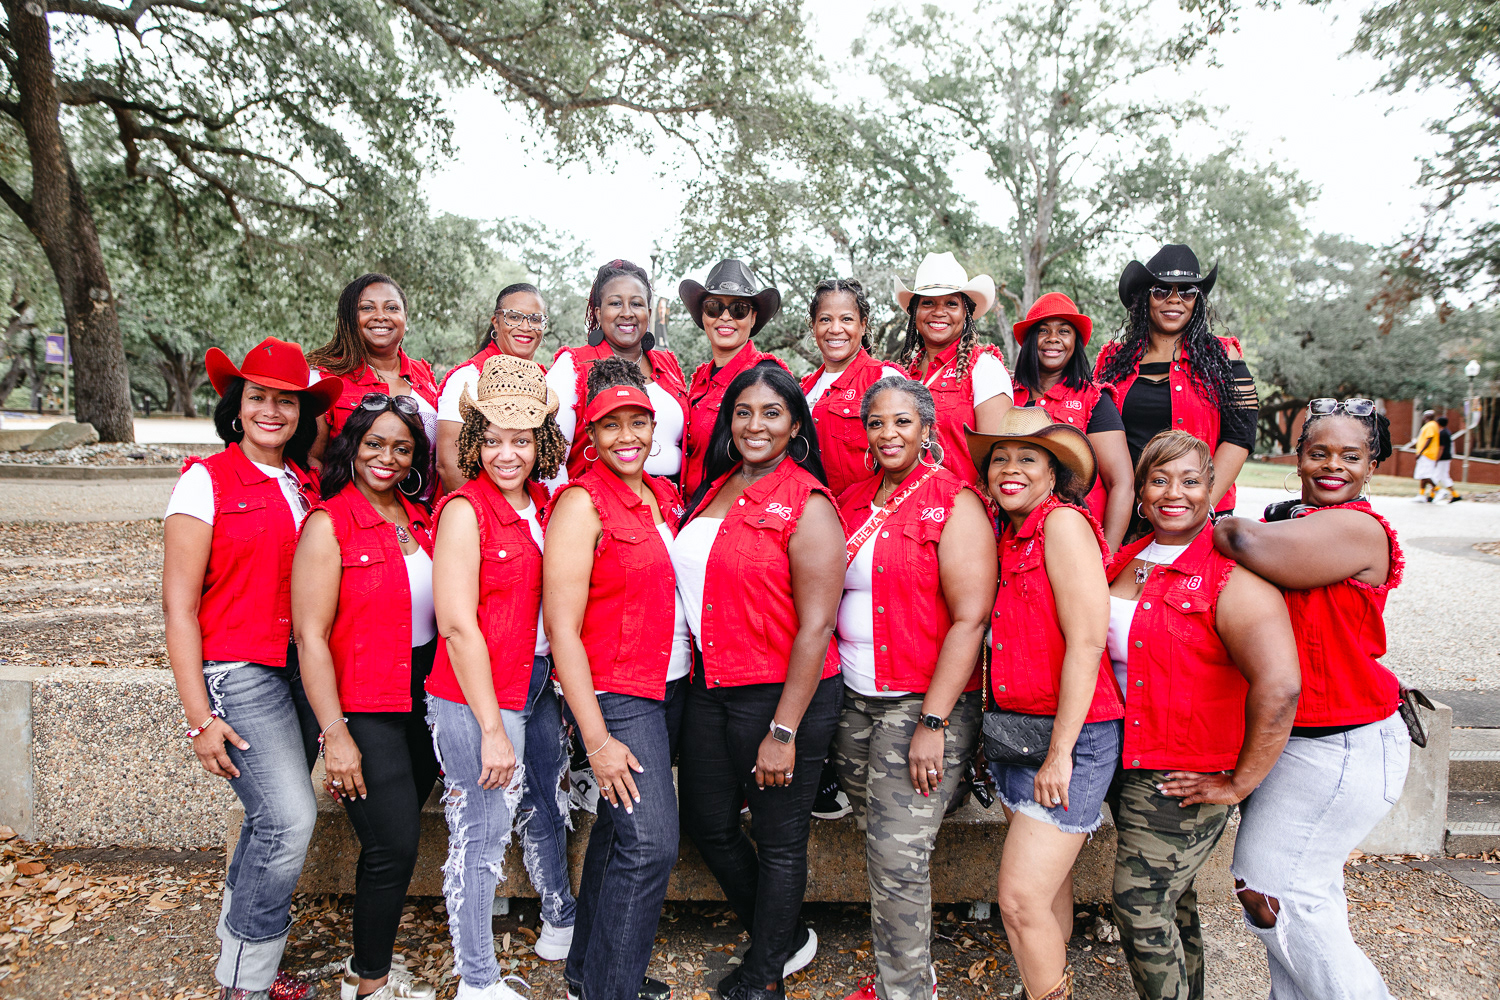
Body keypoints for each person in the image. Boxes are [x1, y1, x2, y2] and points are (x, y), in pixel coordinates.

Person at [1213, 398, 1409, 1000]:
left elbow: (1240, 538)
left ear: (1372, 465)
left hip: (1341, 746)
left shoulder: (1357, 528)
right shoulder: (1292, 518)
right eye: (1318, 452)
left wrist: (1192, 508)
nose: (1333, 466)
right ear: (1297, 458)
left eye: (1351, 455)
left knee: (1273, 892)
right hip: (1292, 739)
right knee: (1304, 897)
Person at [163, 338, 340, 1000]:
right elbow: (179, 610)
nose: (271, 411)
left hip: (301, 672)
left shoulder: (306, 484)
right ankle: (245, 983)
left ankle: (238, 954)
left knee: (269, 819)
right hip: (239, 672)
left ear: (301, 414)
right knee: (290, 819)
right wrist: (199, 719)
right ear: (236, 407)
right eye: (258, 397)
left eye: (286, 401)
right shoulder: (204, 481)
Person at [1105, 430, 1301, 1000]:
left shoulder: (1230, 573)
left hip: (1183, 770)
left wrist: (1240, 782)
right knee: (1173, 901)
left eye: (1190, 481)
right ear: (1140, 491)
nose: (1174, 494)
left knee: (1139, 906)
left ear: (1212, 488)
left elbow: (1281, 686)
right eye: (1159, 480)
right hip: (1123, 757)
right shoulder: (1125, 557)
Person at [673, 364, 846, 1000]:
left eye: (772, 413)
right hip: (711, 684)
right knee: (707, 821)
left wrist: (784, 731)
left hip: (781, 694)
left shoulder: (810, 503)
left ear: (795, 425)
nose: (755, 425)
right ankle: (785, 935)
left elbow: (817, 626)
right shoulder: (715, 486)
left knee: (779, 839)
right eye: (743, 411)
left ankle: (764, 975)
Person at [833, 378, 996, 1000]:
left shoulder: (955, 501)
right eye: (877, 423)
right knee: (881, 841)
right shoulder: (851, 500)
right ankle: (908, 971)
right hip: (853, 700)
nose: (889, 434)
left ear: (927, 429)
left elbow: (970, 618)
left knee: (897, 857)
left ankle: (905, 990)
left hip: (921, 704)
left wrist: (934, 722)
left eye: (902, 422)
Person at [424, 356, 574, 999]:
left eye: (520, 439)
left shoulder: (547, 505)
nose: (506, 454)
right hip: (477, 694)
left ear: (542, 443)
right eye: (491, 439)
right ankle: (478, 981)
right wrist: (491, 728)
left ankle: (561, 918)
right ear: (474, 441)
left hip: (537, 681)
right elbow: (457, 626)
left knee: (547, 799)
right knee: (481, 836)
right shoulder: (465, 510)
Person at [544, 356, 693, 1000]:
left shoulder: (663, 496)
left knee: (616, 832)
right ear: (592, 434)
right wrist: (598, 740)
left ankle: (589, 973)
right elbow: (562, 631)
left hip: (673, 683)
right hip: (620, 692)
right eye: (611, 425)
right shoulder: (582, 503)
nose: (626, 437)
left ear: (654, 429)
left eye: (638, 423)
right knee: (651, 843)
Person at [966, 408, 1121, 1000]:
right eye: (1000, 458)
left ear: (1053, 474)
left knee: (1019, 901)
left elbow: (1087, 644)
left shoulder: (1063, 526)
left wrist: (1060, 754)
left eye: (1027, 458)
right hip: (1015, 732)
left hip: (1070, 739)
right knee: (1047, 892)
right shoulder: (1006, 532)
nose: (1011, 468)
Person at [291, 396, 439, 1000]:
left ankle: (365, 965)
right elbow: (310, 637)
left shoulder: (421, 517)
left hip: (424, 701)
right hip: (364, 704)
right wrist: (336, 734)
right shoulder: (328, 524)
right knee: (393, 844)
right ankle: (371, 981)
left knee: (393, 838)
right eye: (375, 443)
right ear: (351, 447)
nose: (387, 457)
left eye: (402, 448)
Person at [1095, 245, 1258, 525]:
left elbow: (1241, 436)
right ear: (1144, 298)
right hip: (1125, 513)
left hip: (1196, 513)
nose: (1174, 300)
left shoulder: (1223, 355)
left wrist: (1201, 507)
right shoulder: (1111, 359)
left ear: (1198, 301)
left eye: (1187, 291)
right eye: (1161, 291)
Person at [548, 260, 690, 486]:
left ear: (648, 313)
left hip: (672, 501)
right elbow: (552, 463)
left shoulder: (668, 364)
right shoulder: (572, 365)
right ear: (598, 312)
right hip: (598, 500)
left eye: (636, 304)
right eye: (615, 303)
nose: (627, 313)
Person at [1010, 292, 1134, 550]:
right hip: (1015, 538)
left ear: (1075, 341)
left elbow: (1121, 484)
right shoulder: (1007, 395)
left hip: (1078, 541)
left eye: (1064, 331)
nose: (1053, 338)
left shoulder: (1094, 399)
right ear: (1030, 340)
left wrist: (1106, 556)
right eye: (1043, 330)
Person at [894, 252, 1013, 486]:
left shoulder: (985, 367)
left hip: (962, 503)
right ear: (915, 311)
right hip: (906, 502)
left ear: (965, 312)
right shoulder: (903, 374)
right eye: (928, 302)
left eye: (951, 303)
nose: (939, 312)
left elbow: (999, 457)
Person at [679, 259, 790, 498]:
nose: (725, 317)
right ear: (703, 316)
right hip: (691, 511)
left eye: (738, 309)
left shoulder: (766, 376)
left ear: (753, 318)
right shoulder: (700, 379)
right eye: (714, 307)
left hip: (736, 510)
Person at [307, 273, 440, 473]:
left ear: (405, 317)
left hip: (424, 494)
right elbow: (312, 459)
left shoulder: (422, 373)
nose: (380, 316)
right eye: (367, 308)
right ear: (349, 319)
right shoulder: (324, 378)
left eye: (392, 308)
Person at [435, 283, 550, 491]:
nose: (526, 327)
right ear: (495, 322)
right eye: (514, 317)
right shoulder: (468, 378)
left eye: (535, 319)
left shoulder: (543, 381)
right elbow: (450, 467)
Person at [800, 278, 907, 498]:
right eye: (825, 319)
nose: (835, 329)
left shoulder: (884, 379)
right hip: (813, 512)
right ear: (814, 326)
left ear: (863, 324)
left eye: (846, 319)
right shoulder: (804, 390)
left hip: (869, 511)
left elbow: (910, 459)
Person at [1435, 415, 1461, 501]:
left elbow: (1441, 447)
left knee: (1435, 477)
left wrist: (1437, 459)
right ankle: (1455, 495)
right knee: (1444, 477)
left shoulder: (1442, 433)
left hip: (1442, 458)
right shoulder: (1447, 432)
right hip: (1447, 457)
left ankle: (1435, 494)